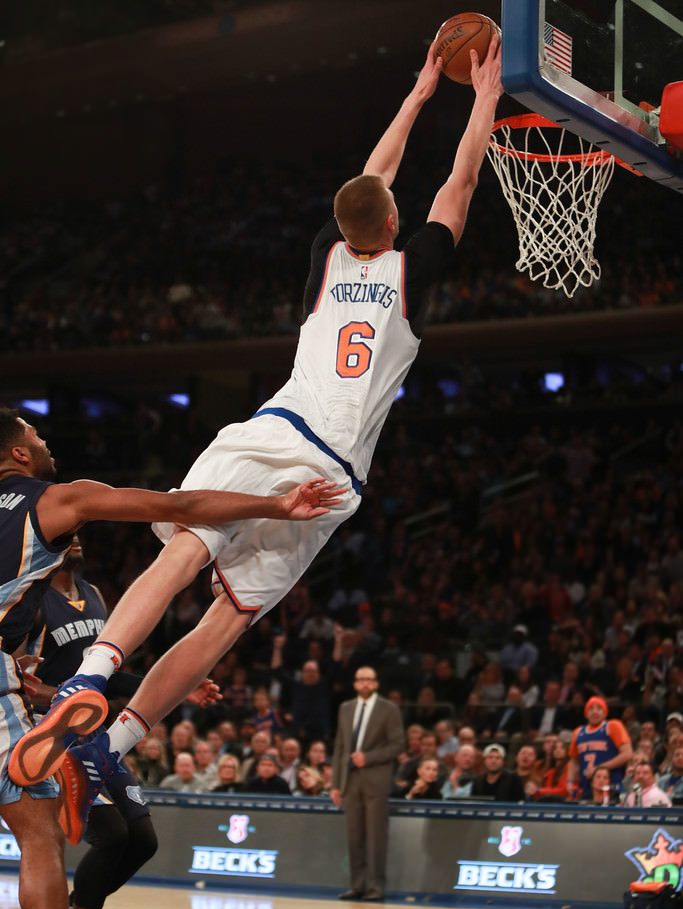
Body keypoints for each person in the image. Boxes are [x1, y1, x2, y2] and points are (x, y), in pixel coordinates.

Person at [9, 35, 504, 845]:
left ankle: (89, 680)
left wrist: (418, 93)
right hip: (332, 466)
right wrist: (480, 95)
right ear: (392, 223)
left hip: (268, 426)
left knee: (181, 554)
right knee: (226, 622)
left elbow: (373, 178)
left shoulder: (323, 255)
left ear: (347, 227)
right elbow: (461, 178)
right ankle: (117, 740)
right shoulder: (411, 271)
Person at [0, 408, 335, 909]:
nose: (45, 444)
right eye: (37, 438)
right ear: (18, 456)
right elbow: (179, 506)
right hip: (17, 698)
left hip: (45, 693)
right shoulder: (51, 502)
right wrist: (275, 507)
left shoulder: (92, 594)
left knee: (125, 836)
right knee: (40, 837)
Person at [23, 534, 157, 909]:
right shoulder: (33, 600)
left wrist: (172, 684)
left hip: (95, 733)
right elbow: (25, 679)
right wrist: (36, 691)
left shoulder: (97, 596)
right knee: (112, 835)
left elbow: (109, 676)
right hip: (51, 734)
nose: (77, 538)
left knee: (143, 840)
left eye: (82, 533)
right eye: (68, 533)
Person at [330, 666, 404, 901]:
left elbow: (397, 745)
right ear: (354, 683)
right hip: (350, 781)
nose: (364, 683)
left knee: (375, 837)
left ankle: (376, 886)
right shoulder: (345, 708)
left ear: (376, 684)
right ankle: (357, 885)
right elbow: (340, 747)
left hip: (376, 780)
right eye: (360, 679)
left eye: (368, 680)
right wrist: (335, 783)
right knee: (354, 837)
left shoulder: (389, 709)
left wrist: (368, 758)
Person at [567, 696, 633, 800]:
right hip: (586, 787)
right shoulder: (578, 732)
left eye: (599, 708)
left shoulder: (613, 726)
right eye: (591, 709)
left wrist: (599, 769)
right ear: (586, 714)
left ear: (605, 712)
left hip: (611, 786)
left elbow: (627, 754)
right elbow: (573, 761)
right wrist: (570, 781)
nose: (595, 712)